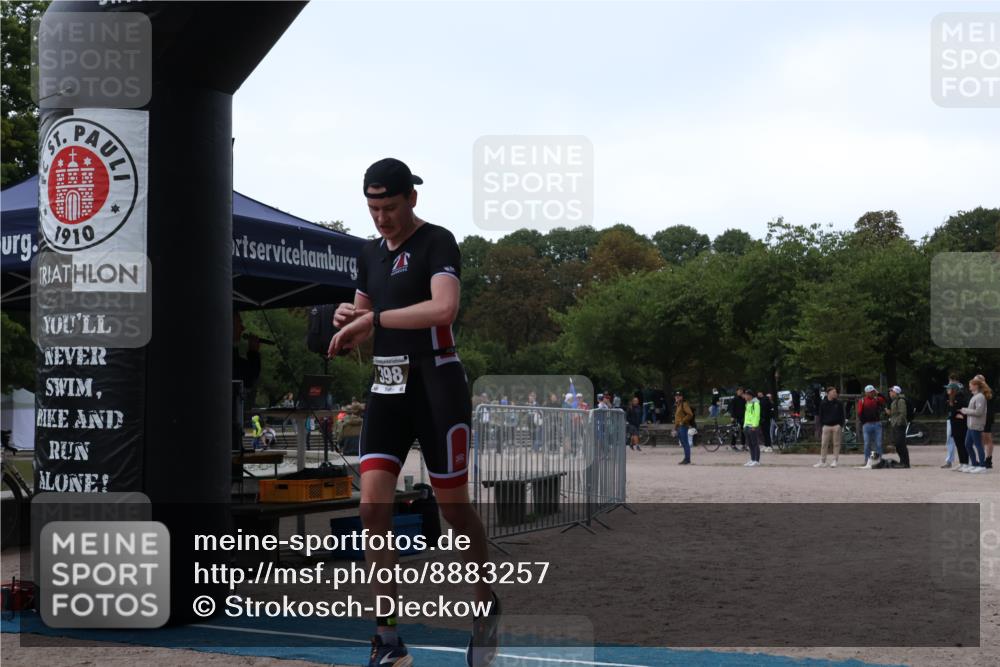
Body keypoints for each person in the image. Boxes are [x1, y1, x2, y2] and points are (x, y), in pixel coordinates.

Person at [326, 158, 497, 667]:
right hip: (387, 384)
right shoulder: (367, 254)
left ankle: (485, 603)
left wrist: (373, 316)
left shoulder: (437, 241)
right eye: (373, 208)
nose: (381, 219)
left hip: (437, 382)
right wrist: (345, 317)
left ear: (412, 200)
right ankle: (388, 638)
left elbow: (443, 310)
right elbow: (363, 319)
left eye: (390, 207)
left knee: (452, 509)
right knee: (371, 508)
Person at [959, 376, 990, 473]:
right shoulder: (975, 396)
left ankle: (982, 466)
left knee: (978, 445)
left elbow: (979, 412)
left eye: (970, 386)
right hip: (971, 426)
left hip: (976, 426)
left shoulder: (980, 397)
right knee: (967, 445)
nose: (969, 388)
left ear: (976, 386)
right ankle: (974, 464)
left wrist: (966, 411)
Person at [857, 384, 886, 469]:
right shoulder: (862, 400)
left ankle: (879, 461)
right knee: (867, 444)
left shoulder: (877, 399)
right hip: (867, 425)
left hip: (877, 424)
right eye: (869, 392)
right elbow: (859, 413)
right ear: (866, 393)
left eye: (872, 392)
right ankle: (867, 461)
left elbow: (884, 400)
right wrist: (864, 422)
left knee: (879, 444)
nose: (871, 393)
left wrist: (879, 393)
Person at [815, 386, 844, 468]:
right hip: (826, 426)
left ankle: (835, 460)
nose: (835, 393)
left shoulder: (839, 403)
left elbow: (842, 415)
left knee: (836, 444)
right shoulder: (823, 403)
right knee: (824, 444)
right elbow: (821, 415)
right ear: (829, 393)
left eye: (836, 392)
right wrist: (822, 425)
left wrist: (840, 425)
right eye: (833, 392)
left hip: (836, 426)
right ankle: (822, 460)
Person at [882, 386, 910, 468]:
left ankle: (905, 463)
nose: (890, 393)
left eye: (891, 391)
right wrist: (889, 413)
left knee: (901, 444)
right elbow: (895, 413)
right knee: (898, 445)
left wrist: (897, 423)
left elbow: (902, 413)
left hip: (899, 425)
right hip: (895, 425)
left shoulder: (900, 401)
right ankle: (902, 461)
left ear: (896, 392)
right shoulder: (894, 401)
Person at [945, 380, 970, 471]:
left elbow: (961, 411)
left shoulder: (960, 398)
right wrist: (955, 414)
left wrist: (957, 414)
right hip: (955, 424)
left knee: (962, 444)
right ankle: (962, 463)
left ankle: (966, 463)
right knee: (958, 445)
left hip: (961, 426)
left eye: (949, 388)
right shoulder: (951, 399)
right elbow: (952, 412)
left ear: (953, 390)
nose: (947, 390)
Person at [673, 391, 695, 464]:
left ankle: (687, 459)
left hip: (683, 426)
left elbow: (690, 414)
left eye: (678, 396)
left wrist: (682, 421)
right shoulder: (678, 405)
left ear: (681, 397)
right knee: (683, 443)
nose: (677, 397)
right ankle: (686, 458)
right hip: (679, 427)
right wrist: (675, 428)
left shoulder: (684, 404)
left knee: (685, 443)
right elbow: (677, 418)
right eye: (676, 396)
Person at [743, 389, 762, 466]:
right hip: (747, 425)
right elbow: (746, 415)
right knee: (750, 444)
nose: (745, 396)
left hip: (753, 426)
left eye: (746, 395)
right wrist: (744, 425)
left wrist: (754, 425)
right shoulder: (747, 404)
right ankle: (752, 459)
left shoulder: (756, 404)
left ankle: (756, 460)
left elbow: (756, 415)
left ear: (750, 396)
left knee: (755, 443)